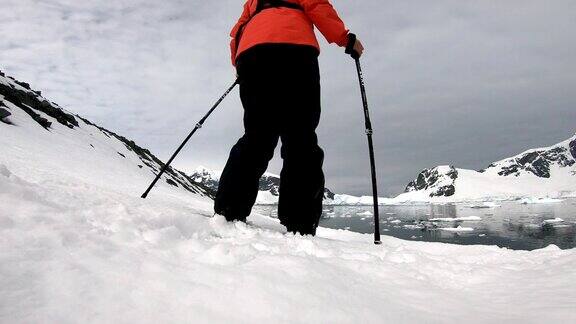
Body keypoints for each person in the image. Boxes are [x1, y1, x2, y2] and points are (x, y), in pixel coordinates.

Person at [214, 0, 364, 236]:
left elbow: (238, 32)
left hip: (252, 57)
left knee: (257, 135)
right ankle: (300, 223)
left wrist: (240, 65)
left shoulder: (253, 2)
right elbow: (317, 6)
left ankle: (228, 211)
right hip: (295, 54)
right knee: (300, 135)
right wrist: (347, 39)